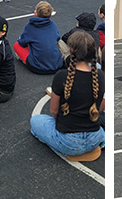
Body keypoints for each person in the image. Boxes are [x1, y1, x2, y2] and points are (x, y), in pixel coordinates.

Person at [30, 31, 104, 162]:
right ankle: (95, 146)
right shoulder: (101, 75)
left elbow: (54, 111)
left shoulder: (62, 76)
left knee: (36, 121)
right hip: (94, 137)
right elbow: (100, 109)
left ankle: (65, 150)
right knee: (101, 133)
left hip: (69, 141)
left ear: (71, 51)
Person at [13, 1, 63, 75]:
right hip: (56, 65)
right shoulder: (53, 25)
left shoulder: (31, 26)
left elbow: (22, 42)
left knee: (17, 45)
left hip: (37, 67)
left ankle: (23, 58)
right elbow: (57, 38)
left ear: (36, 13)